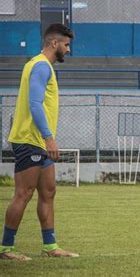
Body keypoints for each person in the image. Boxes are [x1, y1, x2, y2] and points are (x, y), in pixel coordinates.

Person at [0, 24, 79, 261]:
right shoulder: (41, 67)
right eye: (66, 45)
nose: (68, 50)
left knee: (48, 192)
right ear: (54, 43)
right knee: (23, 193)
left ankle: (50, 245)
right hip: (30, 141)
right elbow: (35, 104)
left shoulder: (39, 65)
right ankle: (6, 248)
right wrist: (49, 138)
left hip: (39, 143)